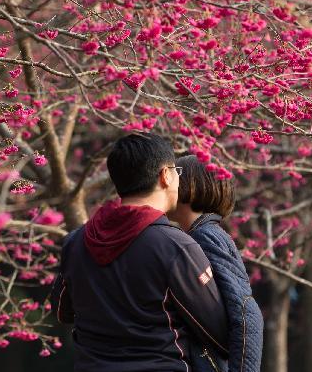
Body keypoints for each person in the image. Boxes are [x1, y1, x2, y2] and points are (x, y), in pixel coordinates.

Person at [51, 133, 230, 371]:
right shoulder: (176, 247)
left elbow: (63, 311)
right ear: (165, 175)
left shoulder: (75, 242)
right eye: (176, 171)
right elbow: (219, 334)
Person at [168, 155, 264, 372]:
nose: (166, 182)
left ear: (195, 184)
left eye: (176, 173)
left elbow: (245, 310)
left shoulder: (206, 236)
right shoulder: (201, 234)